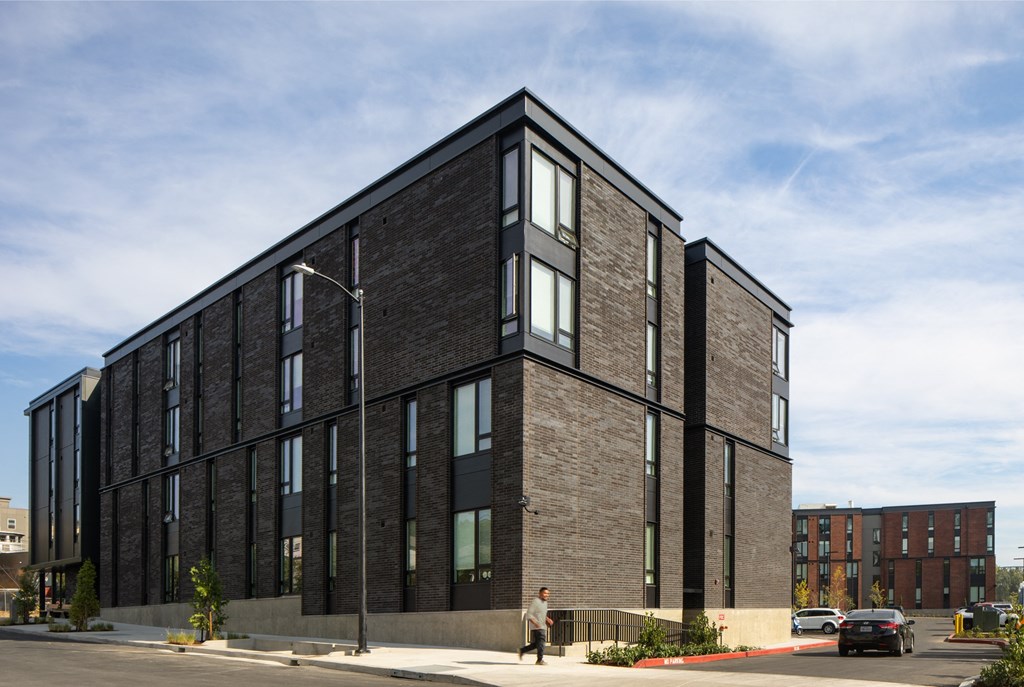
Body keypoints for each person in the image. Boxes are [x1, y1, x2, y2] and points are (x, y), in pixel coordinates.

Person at [518, 587, 554, 665]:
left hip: (542, 625)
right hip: (537, 627)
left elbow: (542, 613)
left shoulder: (545, 603)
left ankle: (522, 650)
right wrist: (536, 623)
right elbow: (529, 614)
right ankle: (539, 660)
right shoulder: (535, 602)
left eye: (548, 593)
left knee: (538, 644)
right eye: (545, 593)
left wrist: (548, 619)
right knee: (541, 643)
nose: (546, 595)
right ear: (540, 593)